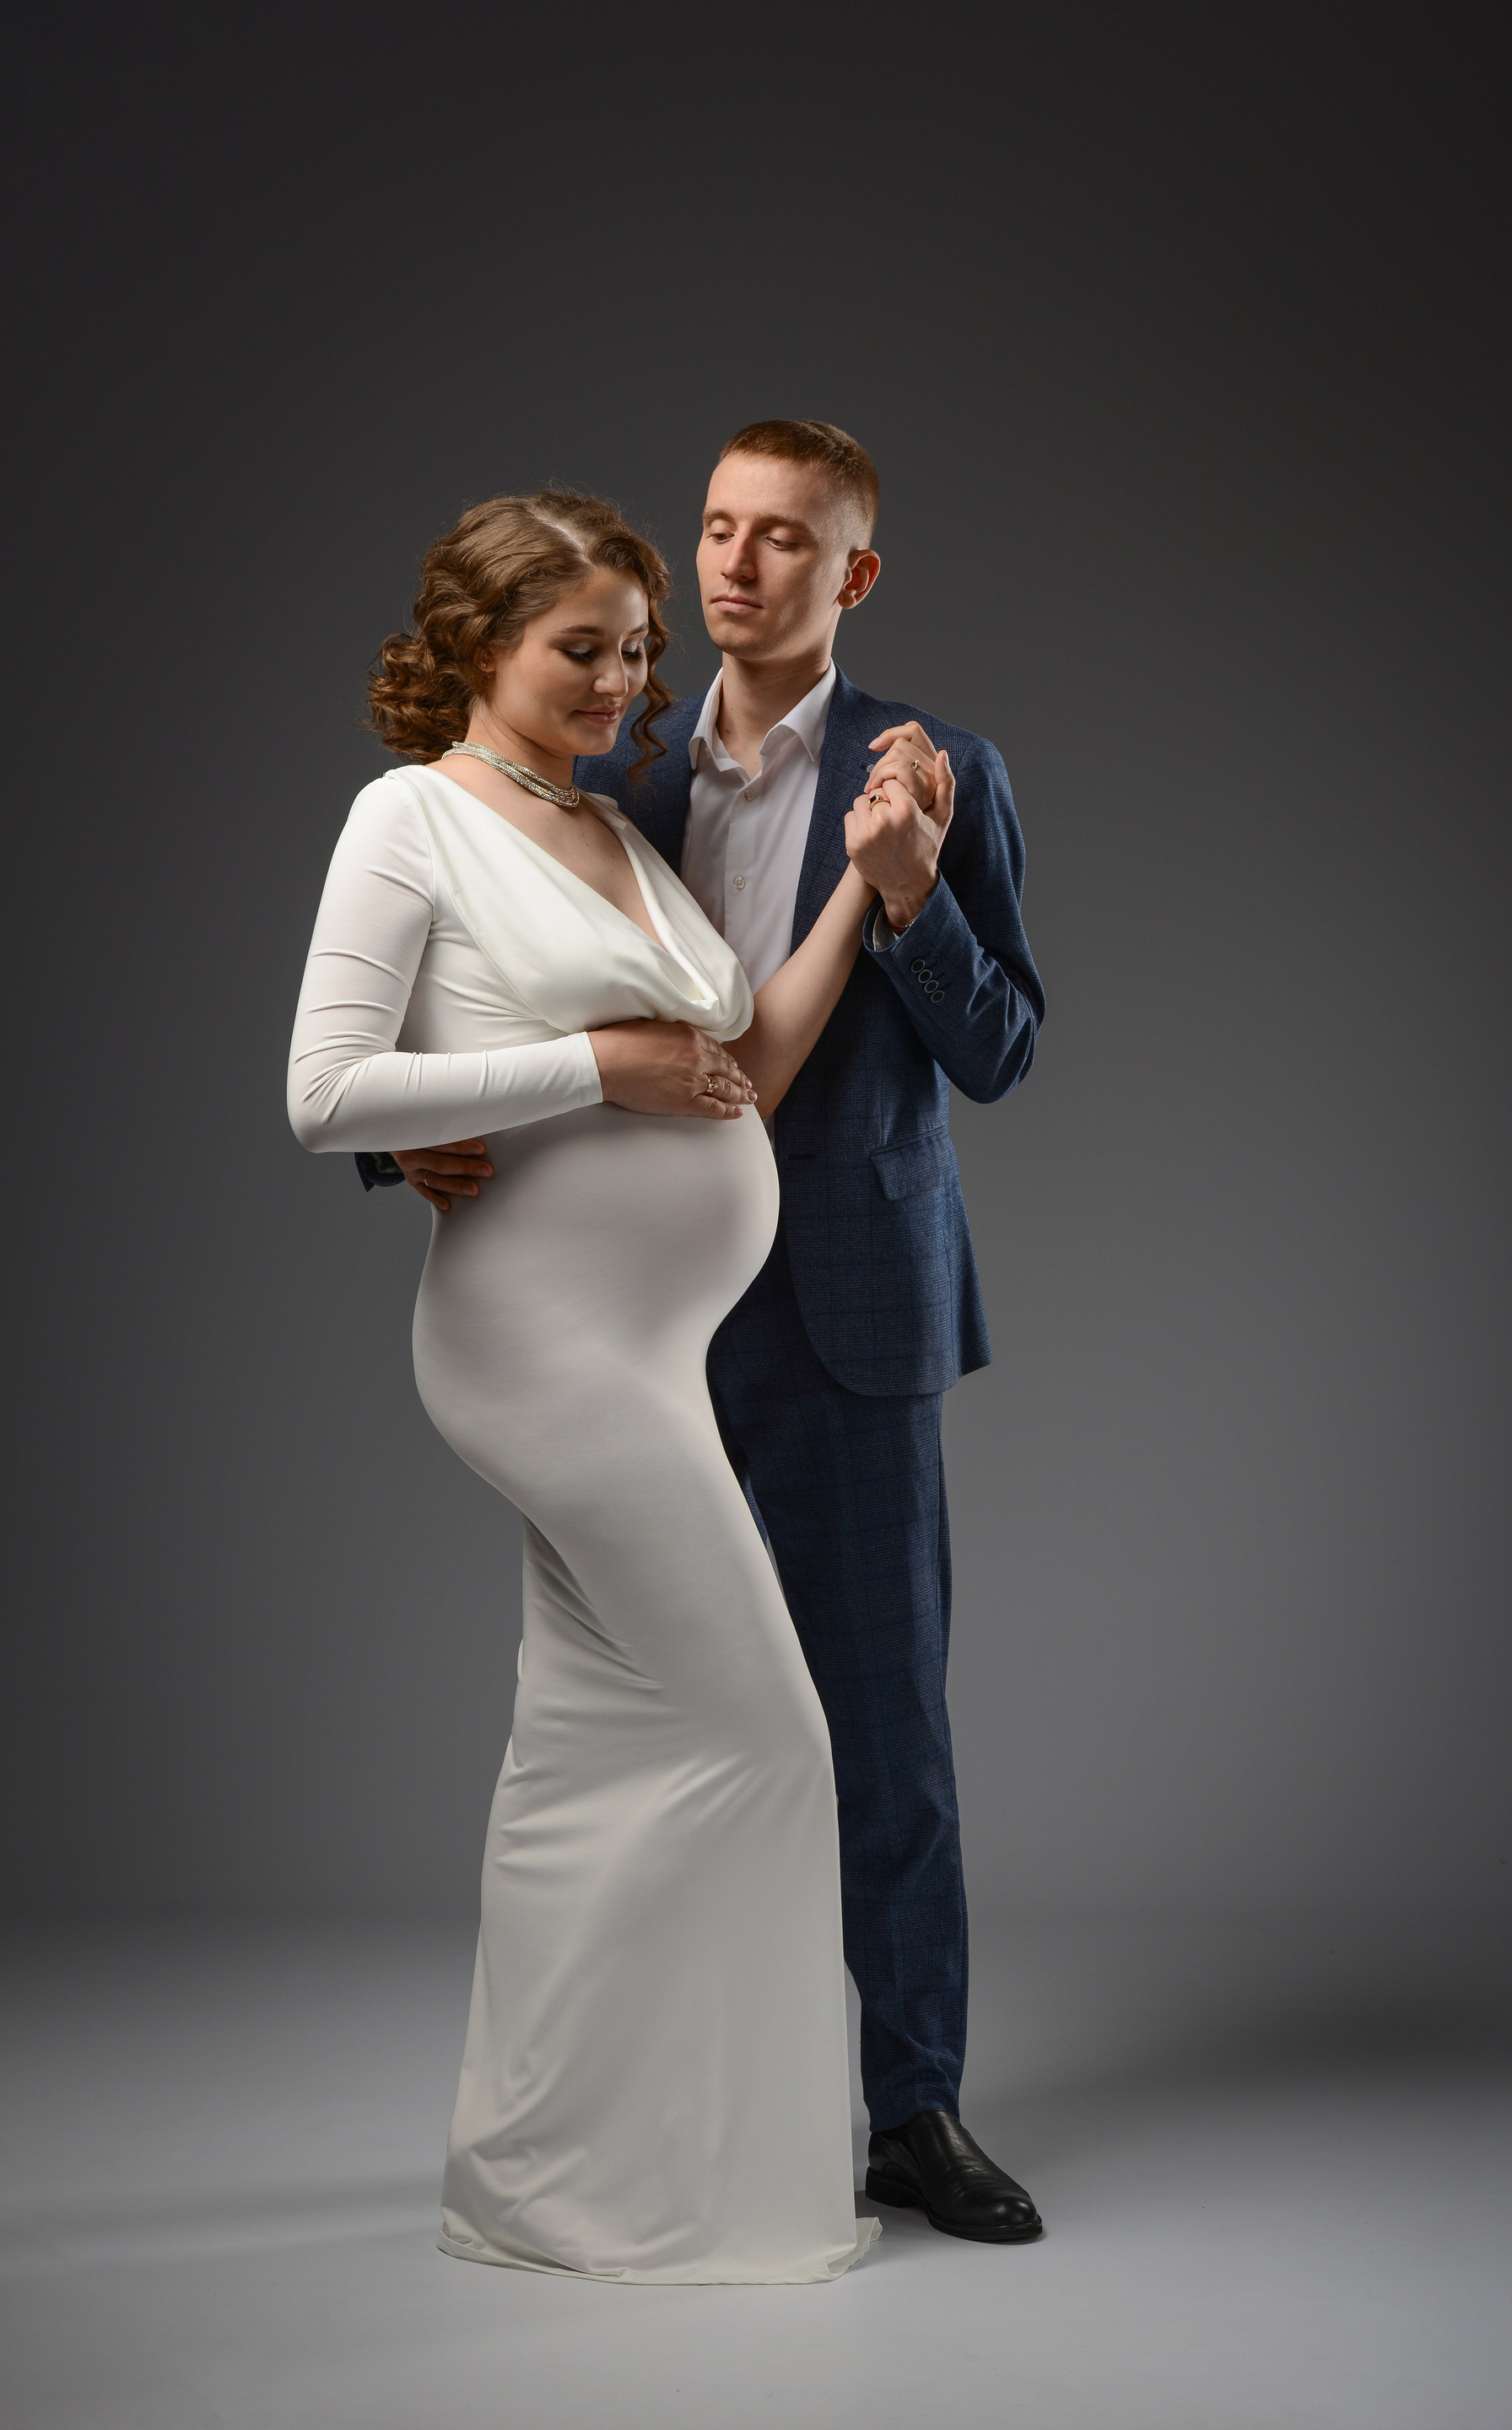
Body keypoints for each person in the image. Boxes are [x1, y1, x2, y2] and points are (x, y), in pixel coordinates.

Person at [379, 422, 1047, 2244]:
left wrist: (908, 891)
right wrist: (411, 1143)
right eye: (719, 530)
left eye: (786, 540)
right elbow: (465, 988)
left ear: (857, 573)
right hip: (614, 1323)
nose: (738, 567)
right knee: (650, 1716)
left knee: (879, 1729)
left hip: (846, 1316)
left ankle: (910, 2109)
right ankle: (680, 2102)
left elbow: (1002, 1048)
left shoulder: (942, 770)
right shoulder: (610, 763)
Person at [289, 489, 909, 2281]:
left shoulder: (610, 831)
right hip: (543, 1348)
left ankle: (548, 2179)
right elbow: (325, 1094)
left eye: (638, 651)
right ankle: (709, 2187)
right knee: (770, 1739)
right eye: (581, 648)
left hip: (647, 1349)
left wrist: (866, 894)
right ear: (477, 643)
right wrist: (586, 1069)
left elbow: (738, 1067)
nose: (622, 683)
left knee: (586, 1757)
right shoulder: (411, 817)